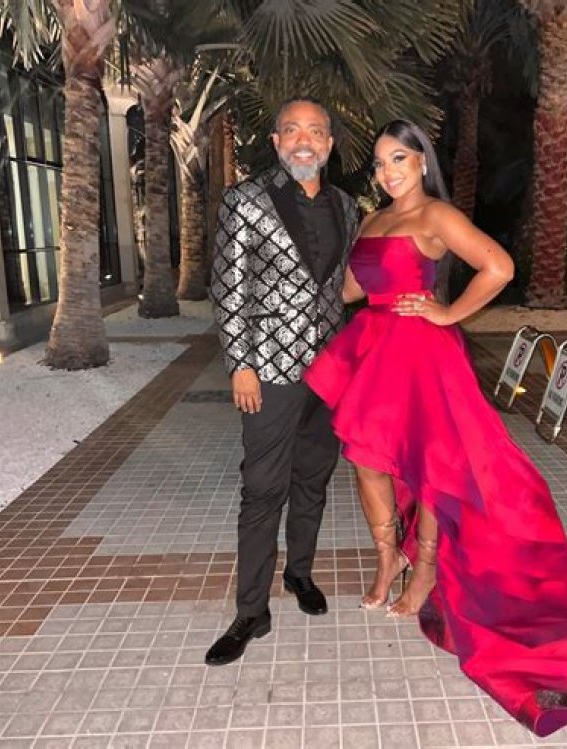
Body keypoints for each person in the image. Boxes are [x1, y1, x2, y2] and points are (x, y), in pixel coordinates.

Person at [303, 119, 567, 736]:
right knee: (365, 459)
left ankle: (426, 569)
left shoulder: (436, 215)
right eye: (380, 163)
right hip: (375, 348)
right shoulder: (372, 220)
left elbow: (500, 266)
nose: (388, 172)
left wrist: (447, 313)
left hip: (420, 353)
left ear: (422, 161)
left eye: (399, 159)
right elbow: (353, 289)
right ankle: (389, 559)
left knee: (431, 466)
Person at [206, 98, 359, 666]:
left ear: (329, 144)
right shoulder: (245, 199)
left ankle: (299, 573)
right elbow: (227, 287)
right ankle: (251, 611)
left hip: (329, 371)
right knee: (263, 489)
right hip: (268, 369)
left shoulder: (348, 206)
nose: (304, 140)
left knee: (314, 478)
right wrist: (240, 363)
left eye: (315, 131)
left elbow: (341, 286)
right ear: (275, 142)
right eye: (291, 130)